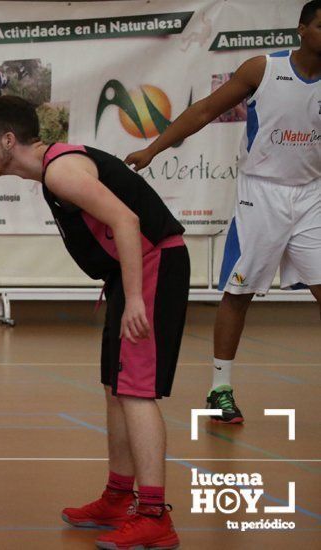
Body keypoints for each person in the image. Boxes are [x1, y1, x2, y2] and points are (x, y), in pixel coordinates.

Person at [0, 95, 189, 550]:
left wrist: (134, 300)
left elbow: (127, 221)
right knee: (116, 387)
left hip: (152, 266)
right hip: (129, 272)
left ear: (9, 140)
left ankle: (153, 516)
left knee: (136, 390)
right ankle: (117, 496)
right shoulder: (54, 172)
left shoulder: (61, 171)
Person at [126, 0, 321, 424]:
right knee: (240, 291)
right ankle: (220, 388)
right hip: (262, 194)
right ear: (302, 29)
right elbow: (203, 110)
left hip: (313, 196)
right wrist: (153, 148)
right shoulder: (263, 69)